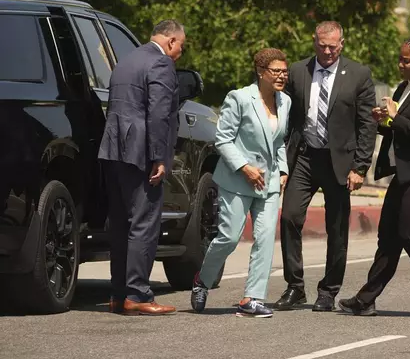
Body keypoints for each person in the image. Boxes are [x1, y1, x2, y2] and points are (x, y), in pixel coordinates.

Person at [337, 22, 410, 318]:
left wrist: (395, 117)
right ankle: (366, 300)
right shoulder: (405, 88)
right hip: (408, 173)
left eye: (407, 61)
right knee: (388, 235)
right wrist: (384, 121)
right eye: (400, 59)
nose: (400, 65)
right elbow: (399, 128)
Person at [274, 21, 377, 312]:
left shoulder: (358, 74)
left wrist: (360, 167)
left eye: (333, 46)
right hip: (305, 157)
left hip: (339, 160)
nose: (328, 51)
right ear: (314, 41)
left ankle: (328, 291)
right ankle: (295, 287)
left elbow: (367, 124)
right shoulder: (297, 71)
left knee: (337, 227)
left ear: (341, 43)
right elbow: (285, 115)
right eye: (322, 45)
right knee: (290, 218)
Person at [190, 48, 291, 318]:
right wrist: (245, 168)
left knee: (266, 237)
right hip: (237, 179)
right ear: (261, 72)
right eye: (276, 71)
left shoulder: (286, 102)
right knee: (229, 237)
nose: (282, 76)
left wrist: (282, 169)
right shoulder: (239, 98)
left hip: (268, 182)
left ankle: (252, 299)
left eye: (285, 71)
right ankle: (202, 280)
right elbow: (222, 139)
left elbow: (279, 141)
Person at [99, 19, 185, 315]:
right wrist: (159, 157)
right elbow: (159, 113)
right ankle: (138, 295)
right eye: (181, 47)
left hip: (113, 149)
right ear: (171, 41)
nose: (179, 54)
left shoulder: (126, 60)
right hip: (141, 152)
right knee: (144, 222)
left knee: (122, 222)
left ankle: (118, 293)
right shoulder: (161, 64)